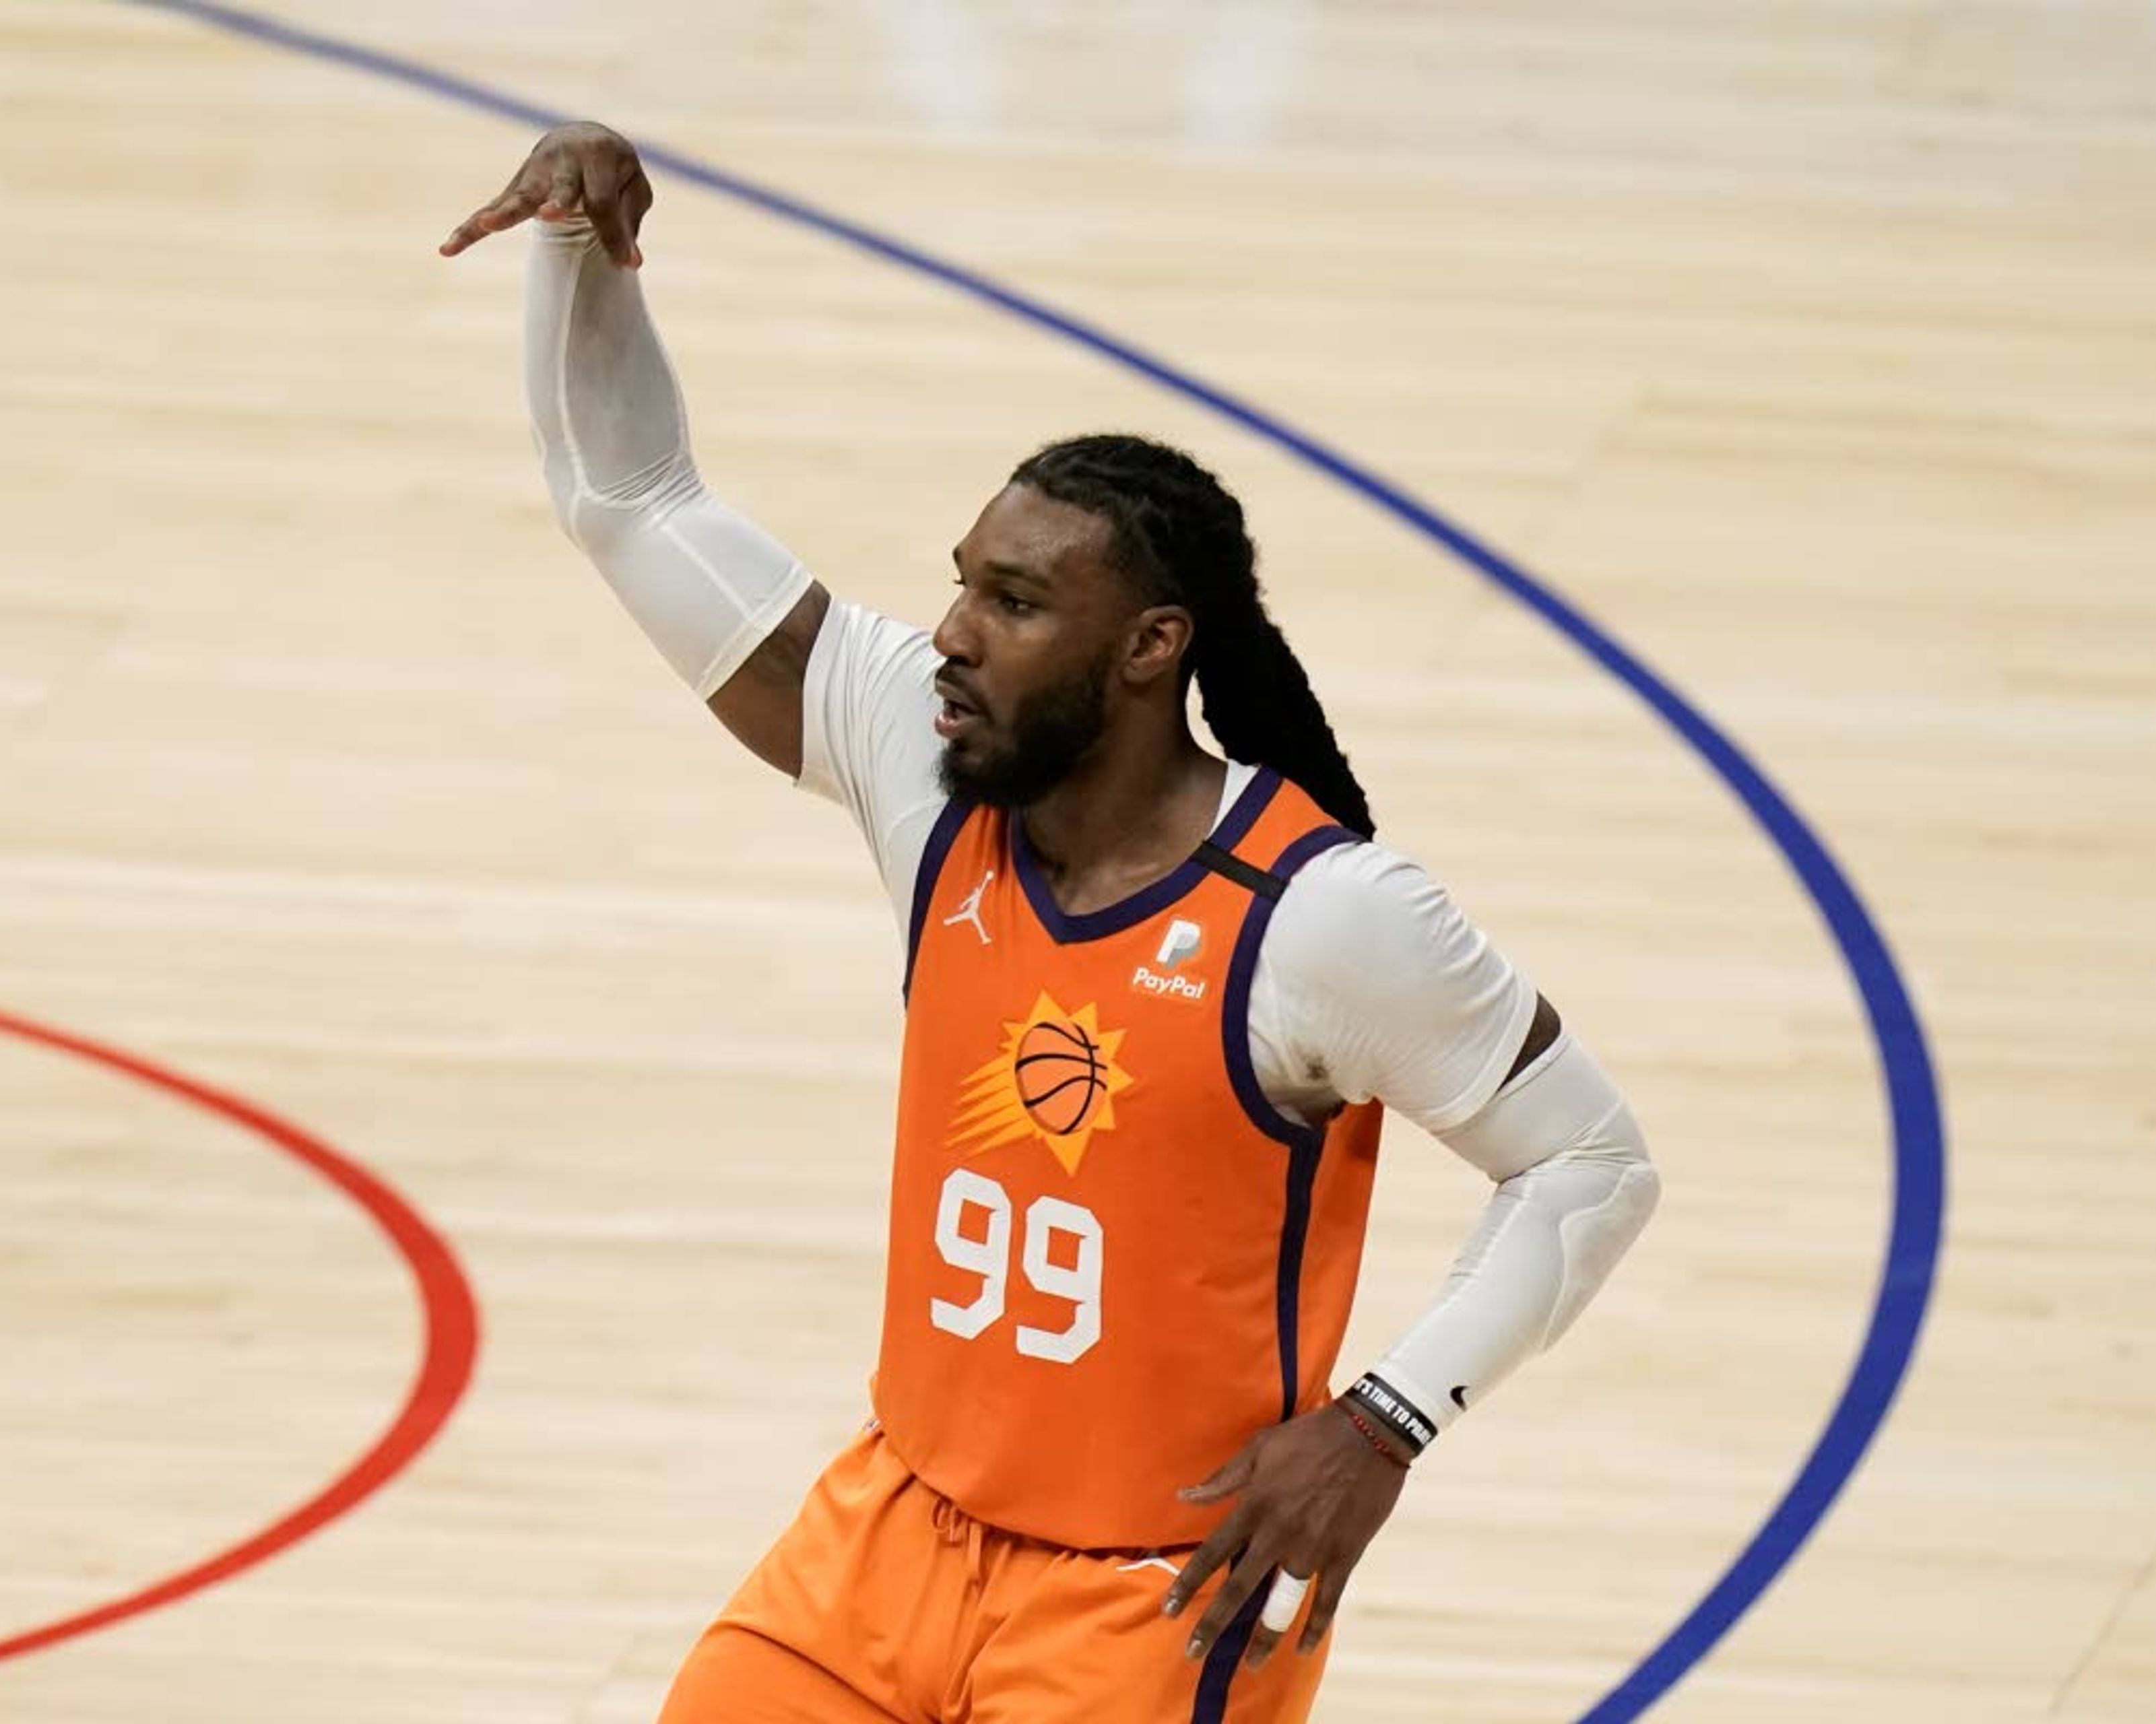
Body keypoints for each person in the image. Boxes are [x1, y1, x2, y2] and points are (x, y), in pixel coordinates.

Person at [442, 121, 1662, 1724]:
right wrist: (579, 253)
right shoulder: (923, 766)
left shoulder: (1324, 916)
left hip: (1152, 1595)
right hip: (887, 1531)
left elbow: (1591, 1163)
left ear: (1152, 647)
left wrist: (1383, 1421)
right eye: (961, 584)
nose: (950, 632)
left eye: (1013, 604)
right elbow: (630, 496)